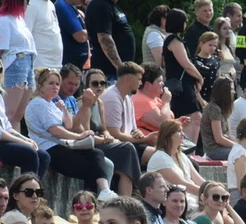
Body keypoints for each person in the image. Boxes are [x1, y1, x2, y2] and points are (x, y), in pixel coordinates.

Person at [25, 67, 116, 198]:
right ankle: (92, 202)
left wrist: (64, 109)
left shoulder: (51, 104)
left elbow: (69, 125)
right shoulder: (38, 103)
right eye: (51, 83)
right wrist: (79, 136)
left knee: (96, 153)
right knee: (91, 169)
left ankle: (104, 192)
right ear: (41, 86)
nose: (55, 87)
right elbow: (56, 131)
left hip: (62, 145)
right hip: (50, 147)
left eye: (57, 83)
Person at [66, 67, 143, 197]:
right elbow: (85, 135)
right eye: (95, 83)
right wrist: (105, 139)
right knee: (128, 149)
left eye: (103, 83)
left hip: (102, 141)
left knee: (127, 156)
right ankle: (134, 192)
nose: (99, 87)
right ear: (87, 85)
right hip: (91, 145)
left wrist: (107, 135)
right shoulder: (82, 104)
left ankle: (127, 198)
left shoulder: (100, 103)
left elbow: (104, 129)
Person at [0, 54, 50, 177]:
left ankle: (34, 192)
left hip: (2, 140)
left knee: (44, 156)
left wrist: (26, 139)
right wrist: (22, 142)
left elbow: (6, 126)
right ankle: (25, 193)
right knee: (30, 153)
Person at [0, 0, 37, 132]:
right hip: (14, 65)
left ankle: (17, 147)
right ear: (18, 0)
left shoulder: (19, 21)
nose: (28, 4)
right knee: (8, 113)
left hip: (28, 64)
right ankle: (5, 146)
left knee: (18, 115)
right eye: (27, 0)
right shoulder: (2, 21)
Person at [161, 9, 205, 146]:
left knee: (192, 117)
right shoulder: (174, 41)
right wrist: (199, 77)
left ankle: (186, 148)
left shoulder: (169, 40)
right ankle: (188, 149)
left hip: (181, 84)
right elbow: (186, 64)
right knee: (194, 117)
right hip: (182, 86)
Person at [85, 0, 134, 82]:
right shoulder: (100, 6)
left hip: (116, 73)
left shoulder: (110, 5)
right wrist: (120, 68)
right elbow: (104, 39)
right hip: (109, 73)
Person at [147, 119, 207, 201]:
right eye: (179, 131)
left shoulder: (182, 156)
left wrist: (213, 188)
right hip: (175, 201)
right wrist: (208, 194)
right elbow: (181, 184)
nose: (183, 134)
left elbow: (198, 180)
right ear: (168, 135)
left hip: (191, 197)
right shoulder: (160, 158)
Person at [26, 0, 63, 70]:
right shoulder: (31, 5)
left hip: (55, 67)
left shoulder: (51, 4)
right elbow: (25, 37)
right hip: (39, 67)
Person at [55, 0, 89, 69]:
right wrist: (96, 31)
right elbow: (80, 36)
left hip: (78, 65)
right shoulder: (62, 6)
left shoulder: (72, 7)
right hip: (70, 66)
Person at [200, 77, 237, 161]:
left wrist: (243, 144)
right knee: (242, 154)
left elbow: (228, 136)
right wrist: (238, 147)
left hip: (224, 148)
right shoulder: (214, 109)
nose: (233, 92)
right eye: (231, 89)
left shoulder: (223, 109)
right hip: (213, 150)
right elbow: (219, 139)